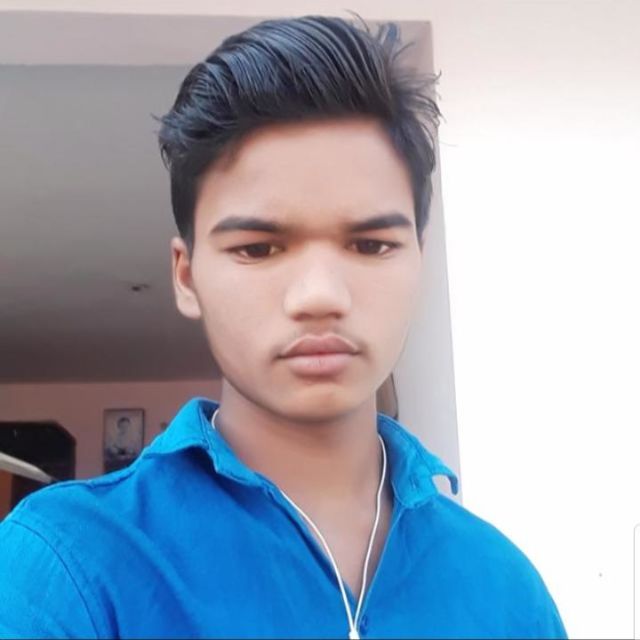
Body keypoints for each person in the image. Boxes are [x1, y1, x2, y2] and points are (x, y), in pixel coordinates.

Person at [0, 15, 568, 639]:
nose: (320, 295)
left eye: (371, 245)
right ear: (186, 277)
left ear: (420, 261)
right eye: (258, 249)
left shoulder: (505, 588)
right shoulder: (66, 566)